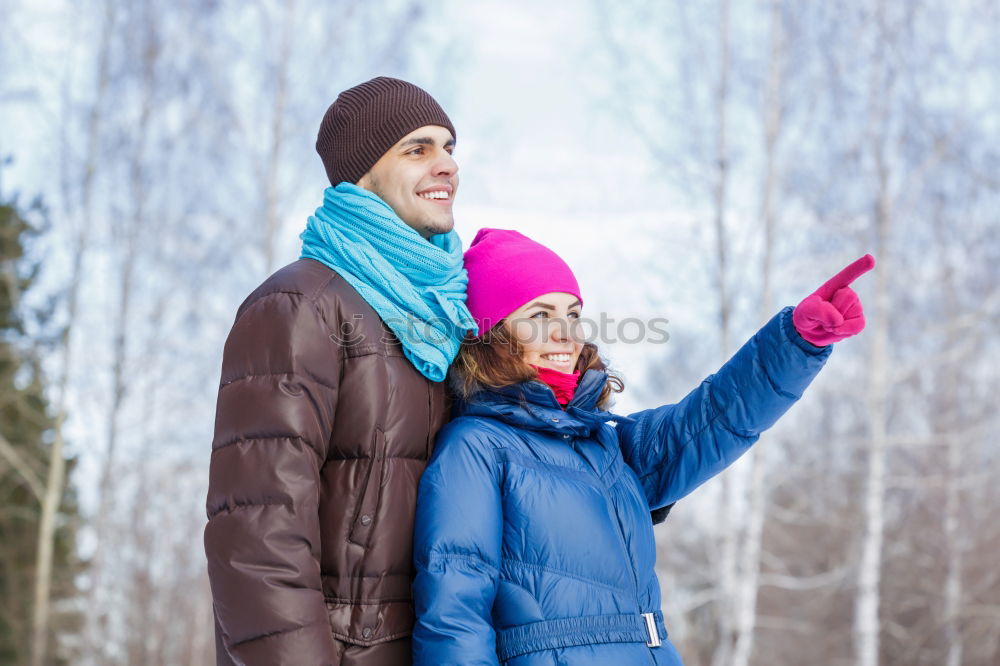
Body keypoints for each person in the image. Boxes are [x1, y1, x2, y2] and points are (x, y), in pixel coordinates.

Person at [412, 228, 874, 665]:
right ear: (491, 333)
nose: (565, 333)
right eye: (539, 315)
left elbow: (713, 419)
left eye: (572, 314)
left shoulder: (603, 445)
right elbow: (454, 617)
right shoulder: (476, 448)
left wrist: (796, 341)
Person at [204, 77, 475, 666]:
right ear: (360, 173)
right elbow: (257, 536)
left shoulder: (448, 315)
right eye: (417, 148)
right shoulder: (301, 306)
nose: (447, 165)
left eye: (449, 147)